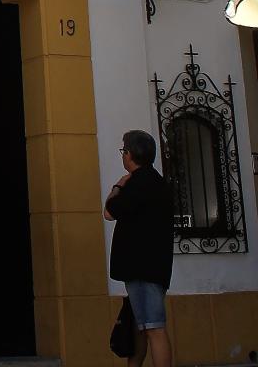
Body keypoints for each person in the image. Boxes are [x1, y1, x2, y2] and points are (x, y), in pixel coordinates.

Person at [104, 130, 174, 367]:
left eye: (124, 151)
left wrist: (118, 185)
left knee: (153, 327)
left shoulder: (137, 184)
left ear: (130, 154)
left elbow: (109, 211)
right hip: (154, 266)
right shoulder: (158, 183)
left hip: (141, 269)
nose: (123, 155)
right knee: (141, 327)